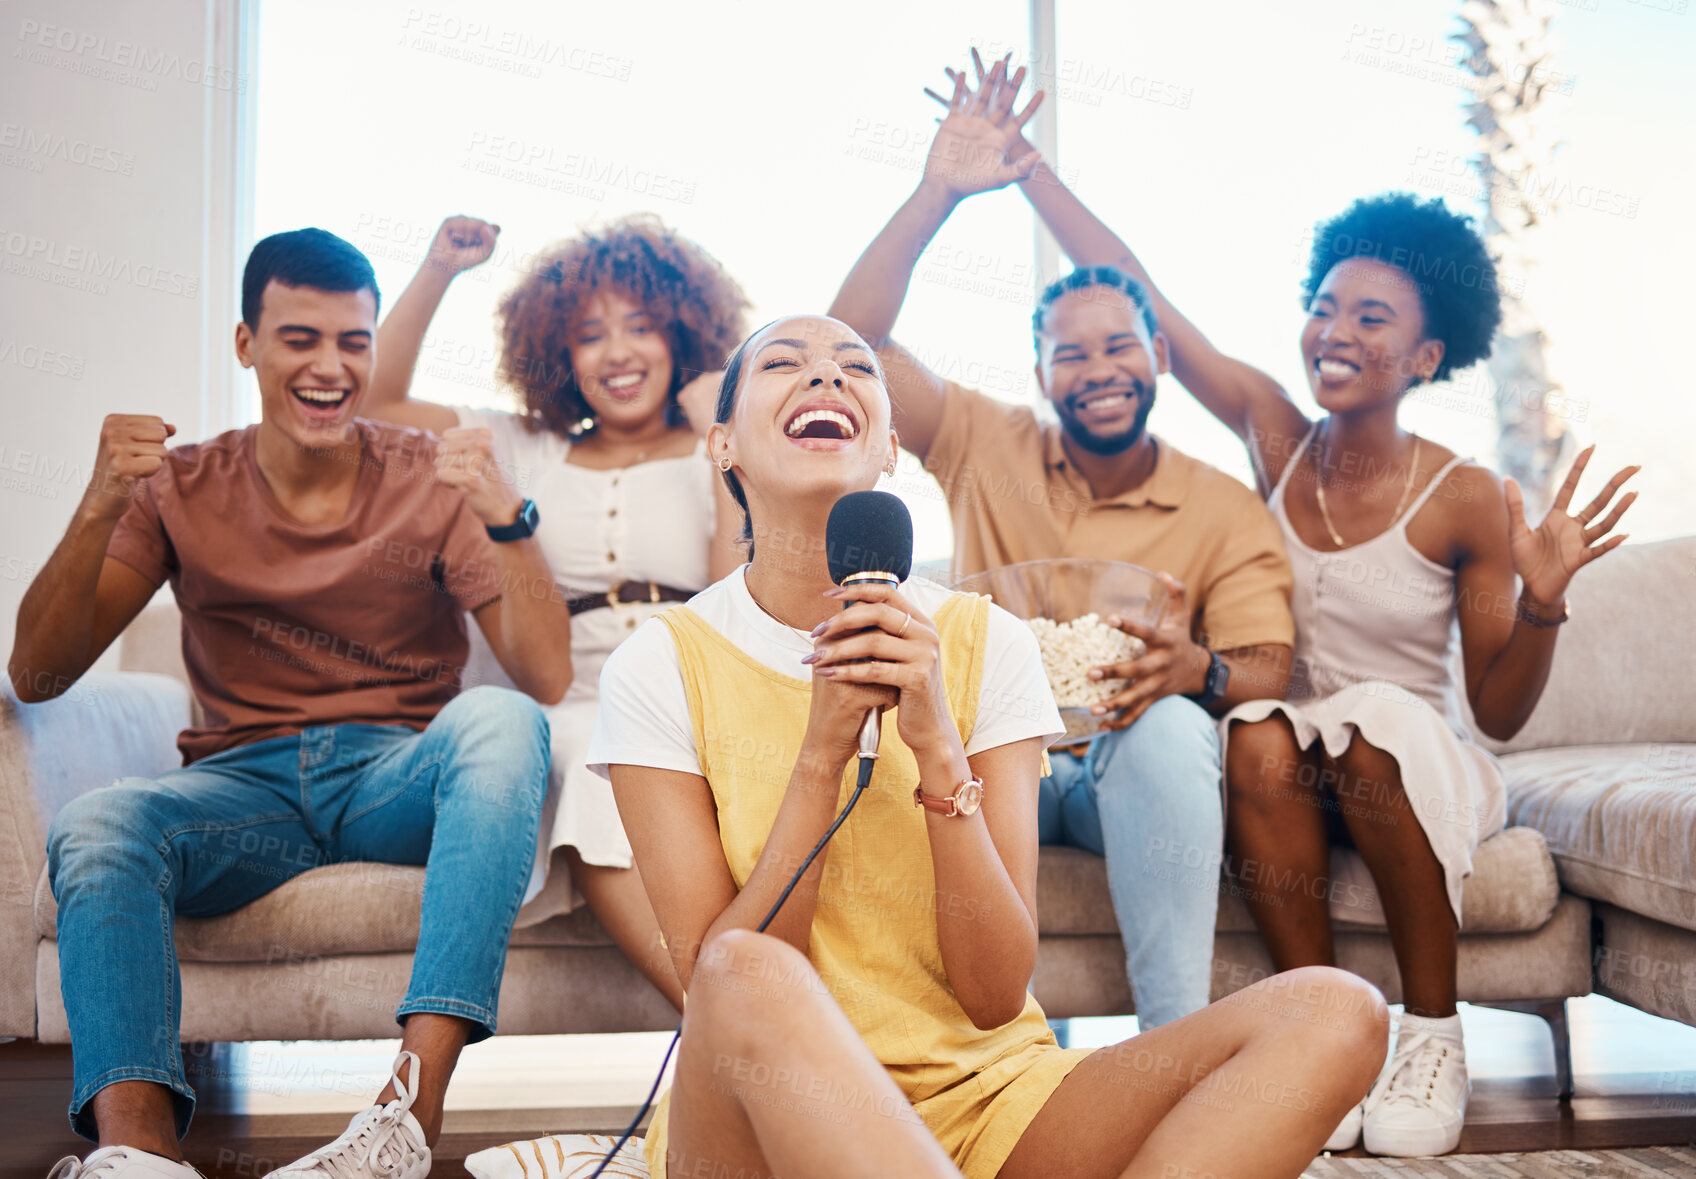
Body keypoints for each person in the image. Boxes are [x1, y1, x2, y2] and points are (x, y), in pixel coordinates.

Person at [963, 51, 1639, 1154]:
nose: (1336, 331)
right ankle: (1321, 1042)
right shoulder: (1275, 437)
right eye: (1325, 307)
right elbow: (1147, 297)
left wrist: (1545, 603)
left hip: (1409, 757)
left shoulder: (1460, 493)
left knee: (1363, 729)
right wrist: (1025, 168)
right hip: (1286, 747)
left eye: (1371, 319)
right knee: (1260, 739)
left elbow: (1501, 715)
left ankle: (1430, 1034)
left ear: (1424, 353)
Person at [582, 313, 1387, 1179]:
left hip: (989, 1102)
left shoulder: (986, 642)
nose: (824, 377)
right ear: (722, 444)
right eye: (785, 363)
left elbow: (996, 992)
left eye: (854, 366)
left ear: (891, 447)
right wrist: (820, 756)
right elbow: (716, 993)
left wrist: (936, 749)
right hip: (763, 1121)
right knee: (740, 967)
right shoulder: (662, 662)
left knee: (1337, 1010)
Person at [13, 228, 573, 1179]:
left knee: (505, 720)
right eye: (300, 338)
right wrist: (101, 498)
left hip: (396, 774)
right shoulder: (180, 485)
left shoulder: (429, 475)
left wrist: (506, 513)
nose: (329, 366)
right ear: (247, 344)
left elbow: (546, 675)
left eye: (353, 341)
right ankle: (136, 1155)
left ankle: (402, 1118)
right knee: (100, 822)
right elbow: (37, 673)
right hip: (242, 791)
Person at [828, 57, 1295, 1032]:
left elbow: (1267, 667)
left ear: (1157, 357)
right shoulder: (979, 442)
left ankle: (1174, 1046)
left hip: (1118, 754)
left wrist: (1195, 667)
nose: (1099, 369)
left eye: (1120, 345)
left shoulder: (1219, 505)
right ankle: (989, 1059)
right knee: (930, 745)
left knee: (1171, 728)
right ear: (1040, 376)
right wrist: (936, 193)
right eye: (1069, 354)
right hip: (998, 755)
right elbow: (844, 343)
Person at [364, 214, 750, 1010]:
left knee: (630, 748)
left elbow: (729, 609)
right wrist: (438, 266)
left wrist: (724, 437)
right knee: (587, 749)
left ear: (682, 335)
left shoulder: (721, 447)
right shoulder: (530, 447)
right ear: (557, 355)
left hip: (698, 690)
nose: (616, 353)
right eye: (588, 335)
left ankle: (744, 1034)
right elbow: (379, 398)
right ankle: (732, 1025)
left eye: (640, 327)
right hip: (570, 700)